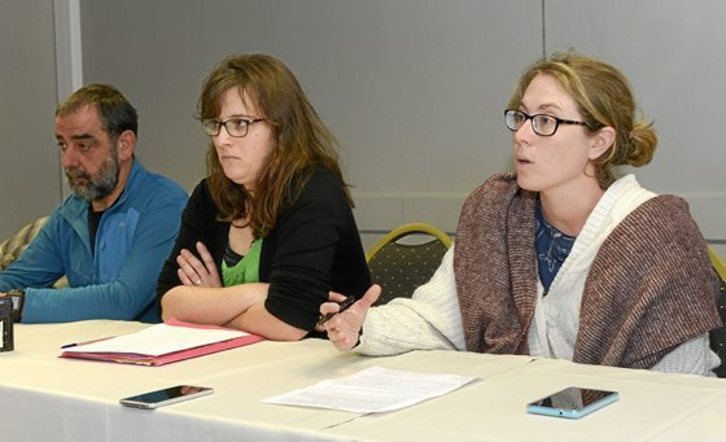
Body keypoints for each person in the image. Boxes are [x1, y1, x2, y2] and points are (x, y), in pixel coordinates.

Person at [321, 51, 722, 375]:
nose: (522, 134)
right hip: (519, 418)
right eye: (521, 116)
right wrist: (365, 326)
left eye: (545, 120)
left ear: (599, 142)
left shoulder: (656, 233)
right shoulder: (495, 212)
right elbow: (440, 321)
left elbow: (679, 381)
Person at [157, 54, 370, 341]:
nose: (222, 139)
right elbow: (169, 303)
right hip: (240, 360)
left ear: (281, 129)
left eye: (239, 123)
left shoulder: (313, 191)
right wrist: (255, 294)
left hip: (324, 359)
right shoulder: (209, 196)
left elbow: (288, 321)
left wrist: (211, 305)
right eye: (216, 124)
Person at [0, 84, 188, 323]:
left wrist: (18, 304)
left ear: (124, 145)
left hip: (148, 345)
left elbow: (122, 301)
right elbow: (16, 279)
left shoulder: (165, 205)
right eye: (63, 145)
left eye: (84, 146)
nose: (68, 161)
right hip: (85, 344)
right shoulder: (71, 212)